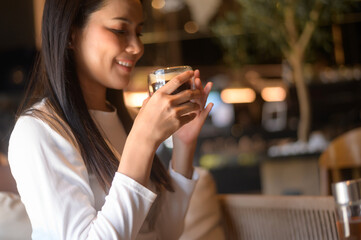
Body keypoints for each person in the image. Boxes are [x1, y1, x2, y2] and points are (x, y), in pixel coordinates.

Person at [8, 0, 213, 239]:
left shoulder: (122, 121)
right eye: (119, 30)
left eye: (139, 32)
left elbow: (162, 232)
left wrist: (184, 143)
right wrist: (143, 141)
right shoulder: (38, 131)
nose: (137, 47)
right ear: (71, 35)